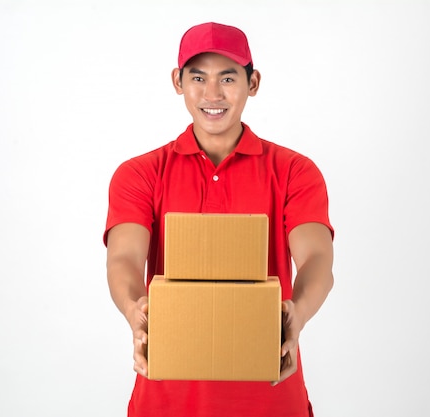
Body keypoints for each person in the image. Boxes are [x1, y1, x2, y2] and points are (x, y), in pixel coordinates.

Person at [104, 21, 334, 417]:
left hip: (270, 398)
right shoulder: (141, 173)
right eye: (198, 77)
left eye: (227, 78)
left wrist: (297, 311)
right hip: (167, 402)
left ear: (253, 82)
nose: (212, 95)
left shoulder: (294, 171)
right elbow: (124, 258)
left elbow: (316, 259)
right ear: (178, 81)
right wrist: (133, 308)